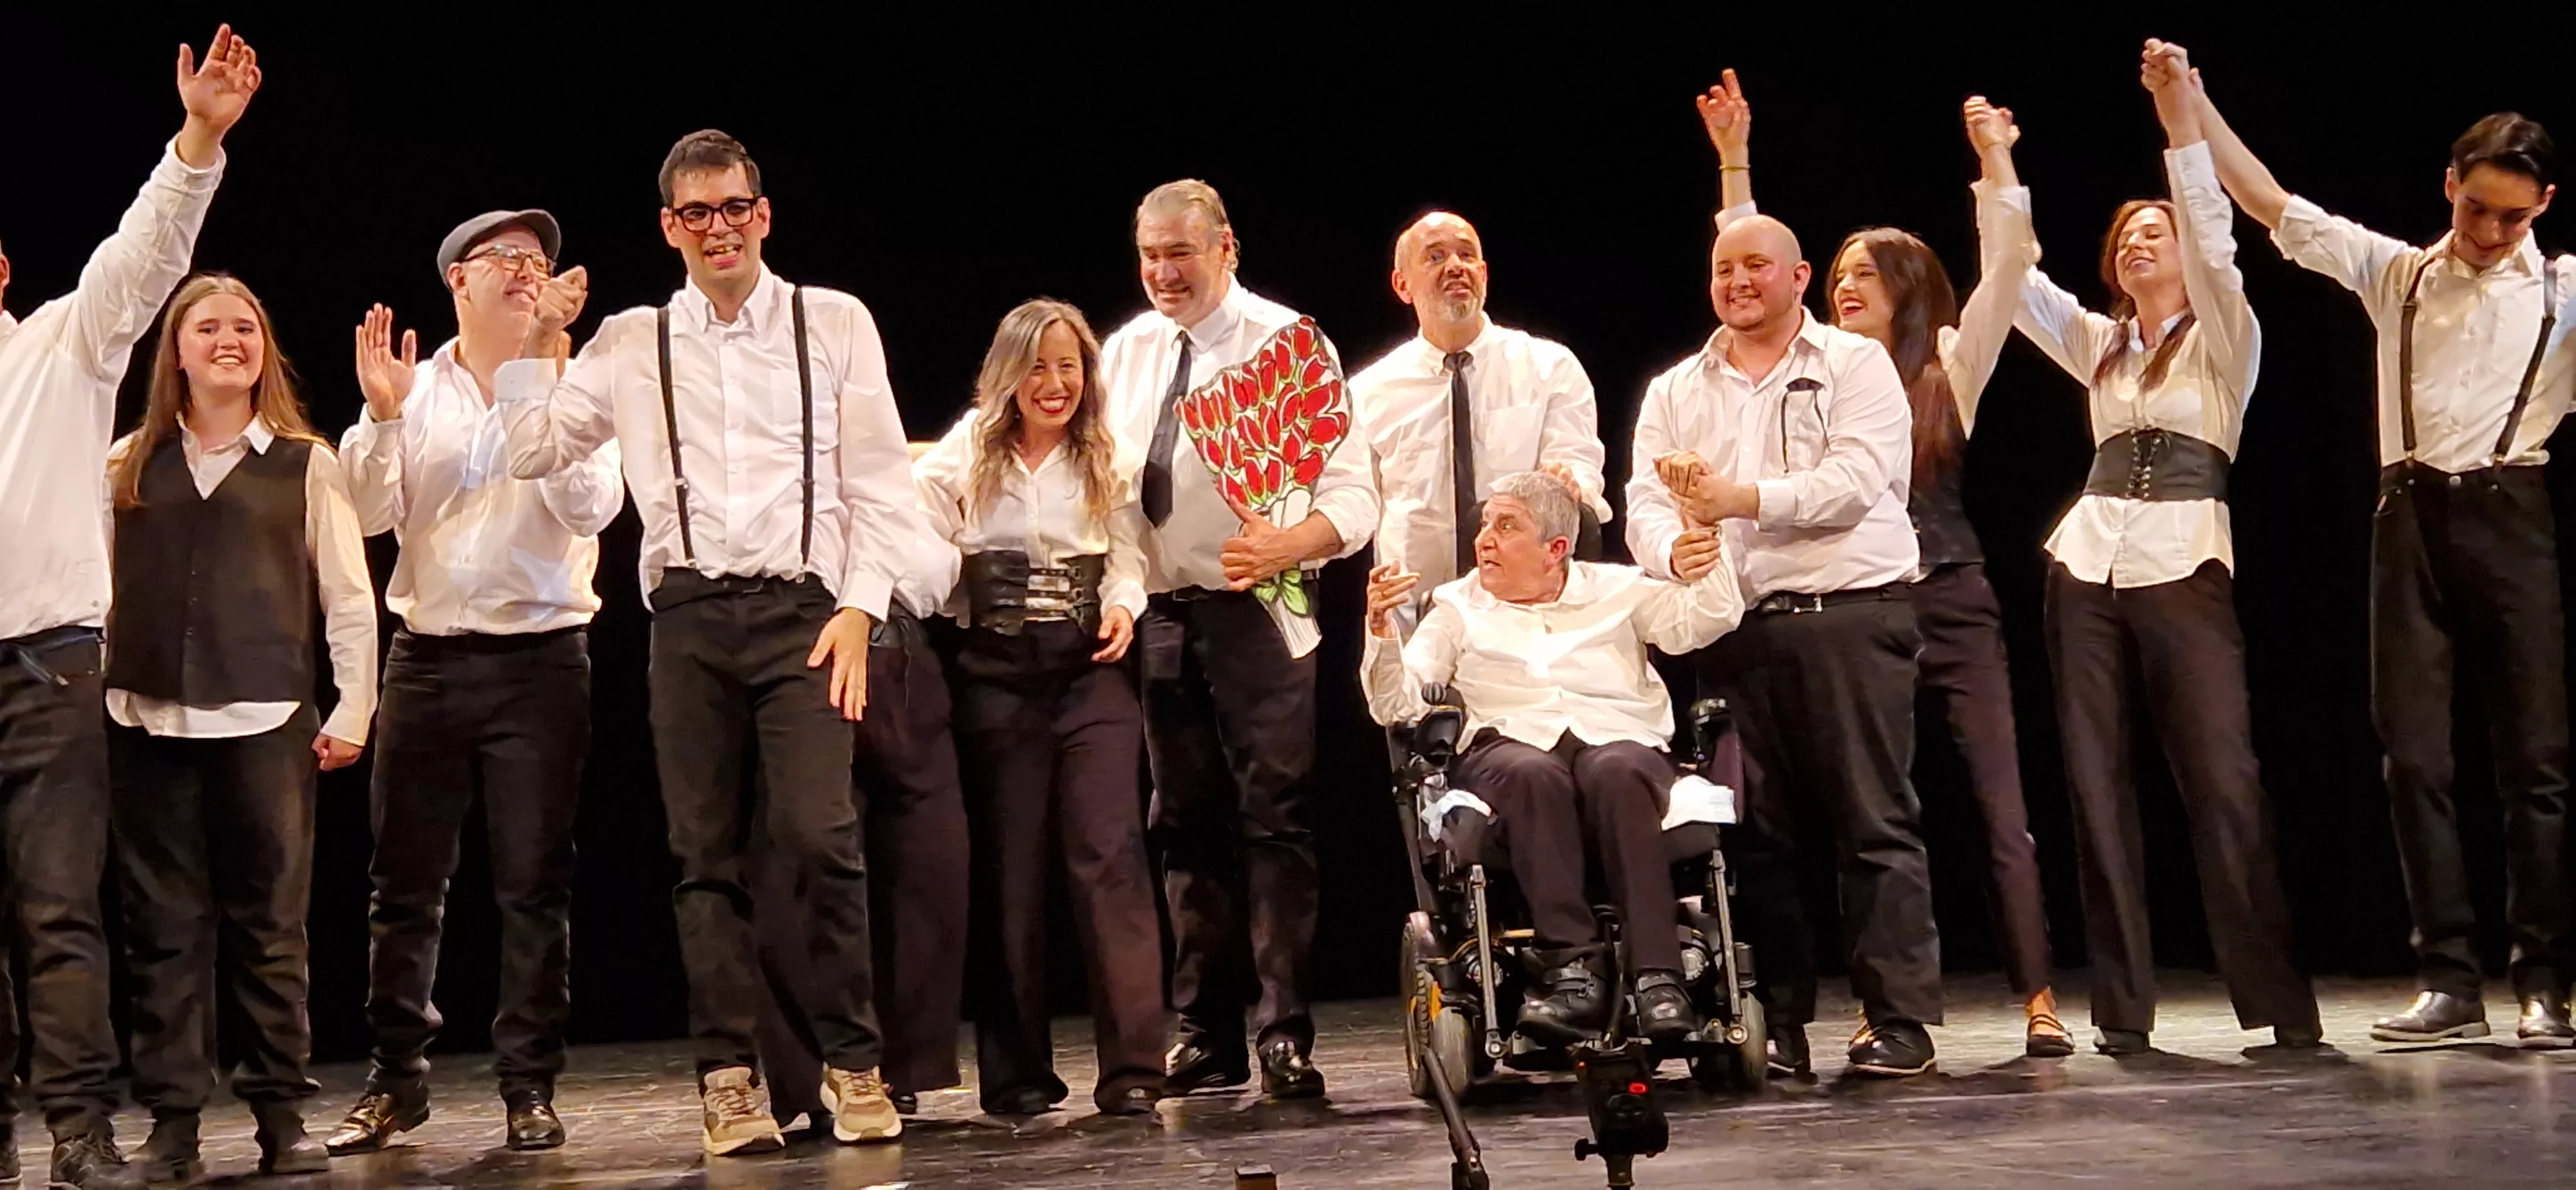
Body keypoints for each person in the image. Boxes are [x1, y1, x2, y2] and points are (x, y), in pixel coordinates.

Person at [497, 129, 916, 1154]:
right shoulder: (632, 341)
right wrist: (538, 339)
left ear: (761, 215)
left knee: (822, 838)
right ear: (669, 227)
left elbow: (881, 483)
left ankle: (855, 1062)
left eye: (734, 208)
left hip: (806, 615)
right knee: (705, 855)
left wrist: (861, 607)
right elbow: (531, 449)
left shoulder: (833, 321)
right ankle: (729, 1080)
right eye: (698, 213)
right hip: (689, 617)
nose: (719, 228)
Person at [2181, 39, 2576, 1048]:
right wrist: (2192, 100)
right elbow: (2271, 204)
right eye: (2476, 208)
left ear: (2544, 205)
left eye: (2513, 216)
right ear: (2449, 187)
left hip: (2512, 513)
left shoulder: (2563, 293)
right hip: (2407, 520)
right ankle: (2449, 979)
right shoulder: (2397, 273)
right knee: (2415, 759)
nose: (2489, 232)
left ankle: (2545, 983)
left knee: (2535, 762)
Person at [1695, 71, 2069, 1057]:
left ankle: (2037, 994)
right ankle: (1856, 1005)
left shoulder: (1948, 363)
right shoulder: (1809, 367)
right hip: (1848, 604)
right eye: (1839, 274)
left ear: (1905, 286)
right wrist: (1735, 162)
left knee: (1994, 804)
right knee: (1840, 810)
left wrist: (1997, 163)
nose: (1846, 286)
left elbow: (2009, 264)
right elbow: (1754, 269)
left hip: (1945, 595)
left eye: (1867, 273)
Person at [1999, 48, 2318, 1055]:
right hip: (2085, 565)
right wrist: (1999, 164)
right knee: (2096, 785)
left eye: (2157, 231)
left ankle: (2280, 1003)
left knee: (2223, 777)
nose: (2140, 242)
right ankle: (2123, 1010)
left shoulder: (2226, 337)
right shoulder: (2100, 344)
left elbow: (2219, 247)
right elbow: (2013, 285)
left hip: (2186, 561)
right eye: (2127, 236)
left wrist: (2181, 123)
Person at [0, 25, 256, 1189]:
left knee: (58, 910)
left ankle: (77, 1132)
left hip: (46, 666)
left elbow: (146, 253)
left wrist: (197, 137)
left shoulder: (64, 345)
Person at [321, 211, 623, 1157]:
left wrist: (540, 383)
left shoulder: (580, 387)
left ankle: (528, 1084)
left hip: (541, 659)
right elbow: (367, 513)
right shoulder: (414, 389)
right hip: (430, 657)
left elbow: (593, 506)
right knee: (404, 887)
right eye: (507, 260)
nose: (529, 273)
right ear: (459, 279)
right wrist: (381, 415)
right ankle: (395, 1080)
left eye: (541, 261)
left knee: (535, 885)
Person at [1628, 191, 1940, 1079]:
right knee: (1754, 836)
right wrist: (1673, 549)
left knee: (1872, 825)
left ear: (1799, 277)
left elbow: (1856, 480)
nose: (1738, 281)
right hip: (1735, 632)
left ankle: (1899, 1022)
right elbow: (1644, 496)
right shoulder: (1678, 387)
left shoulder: (1854, 364)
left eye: (1756, 265)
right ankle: (1777, 1022)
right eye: (1724, 268)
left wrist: (1738, 501)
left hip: (1848, 619)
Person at [1099, 179, 1379, 1099]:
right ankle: (1203, 1030)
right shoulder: (1126, 351)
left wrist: (1289, 546)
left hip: (1260, 604)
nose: (1163, 273)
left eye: (1180, 253)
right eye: (1150, 256)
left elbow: (1354, 496)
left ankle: (1282, 1031)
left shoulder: (1287, 343)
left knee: (1274, 816)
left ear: (1227, 248)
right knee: (1180, 822)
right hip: (1160, 611)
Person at [104, 273, 376, 1180]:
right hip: (148, 722)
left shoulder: (305, 462)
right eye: (209, 328)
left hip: (265, 721)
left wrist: (354, 706)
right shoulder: (127, 463)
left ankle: (281, 1115)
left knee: (270, 928)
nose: (230, 341)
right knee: (164, 929)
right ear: (176, 352)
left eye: (246, 328)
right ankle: (173, 1123)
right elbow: (100, 592)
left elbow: (347, 596)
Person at [1364, 473, 1743, 1043]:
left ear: (1556, 548)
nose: (1484, 540)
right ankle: (1574, 971)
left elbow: (1709, 617)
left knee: (1617, 771)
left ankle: (1658, 979)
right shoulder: (1457, 607)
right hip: (1507, 752)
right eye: (1485, 525)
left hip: (1618, 740)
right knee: (1533, 773)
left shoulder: (1619, 590)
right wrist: (1381, 635)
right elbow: (1398, 704)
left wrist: (1706, 543)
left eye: (1506, 526)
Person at [916, 298, 1167, 1117]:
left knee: (1110, 857)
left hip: (1089, 668)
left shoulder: (1106, 454)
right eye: (1038, 367)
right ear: (1009, 374)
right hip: (995, 670)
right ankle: (1017, 1074)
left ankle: (1134, 1069)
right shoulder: (967, 449)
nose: (1055, 383)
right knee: (1010, 872)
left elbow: (1128, 556)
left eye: (1069, 366)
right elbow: (917, 538)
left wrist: (1123, 604)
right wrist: (958, 577)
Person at [753, 480, 970, 1128]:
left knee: (929, 867)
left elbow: (935, 576)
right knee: (803, 864)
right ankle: (808, 1071)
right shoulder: (785, 488)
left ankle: (901, 1065)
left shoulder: (899, 486)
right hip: (809, 664)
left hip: (902, 662)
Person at [1352, 210, 1610, 618]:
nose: (1456, 266)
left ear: (1484, 274)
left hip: (1528, 610)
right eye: (1435, 257)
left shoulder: (1549, 368)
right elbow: (1354, 505)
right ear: (1402, 285)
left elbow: (1581, 470)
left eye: (1467, 255)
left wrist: (1571, 485)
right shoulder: (1368, 392)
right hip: (1416, 611)